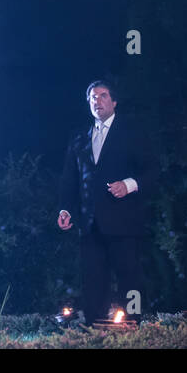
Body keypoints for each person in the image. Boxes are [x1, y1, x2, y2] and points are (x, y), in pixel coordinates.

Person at [58, 81, 153, 322]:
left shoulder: (132, 132)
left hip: (124, 222)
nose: (97, 101)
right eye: (92, 97)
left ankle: (134, 329)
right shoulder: (79, 137)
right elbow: (70, 180)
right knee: (92, 282)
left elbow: (153, 170)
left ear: (114, 101)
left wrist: (129, 184)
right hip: (90, 226)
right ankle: (94, 333)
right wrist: (65, 210)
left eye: (102, 96)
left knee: (129, 278)